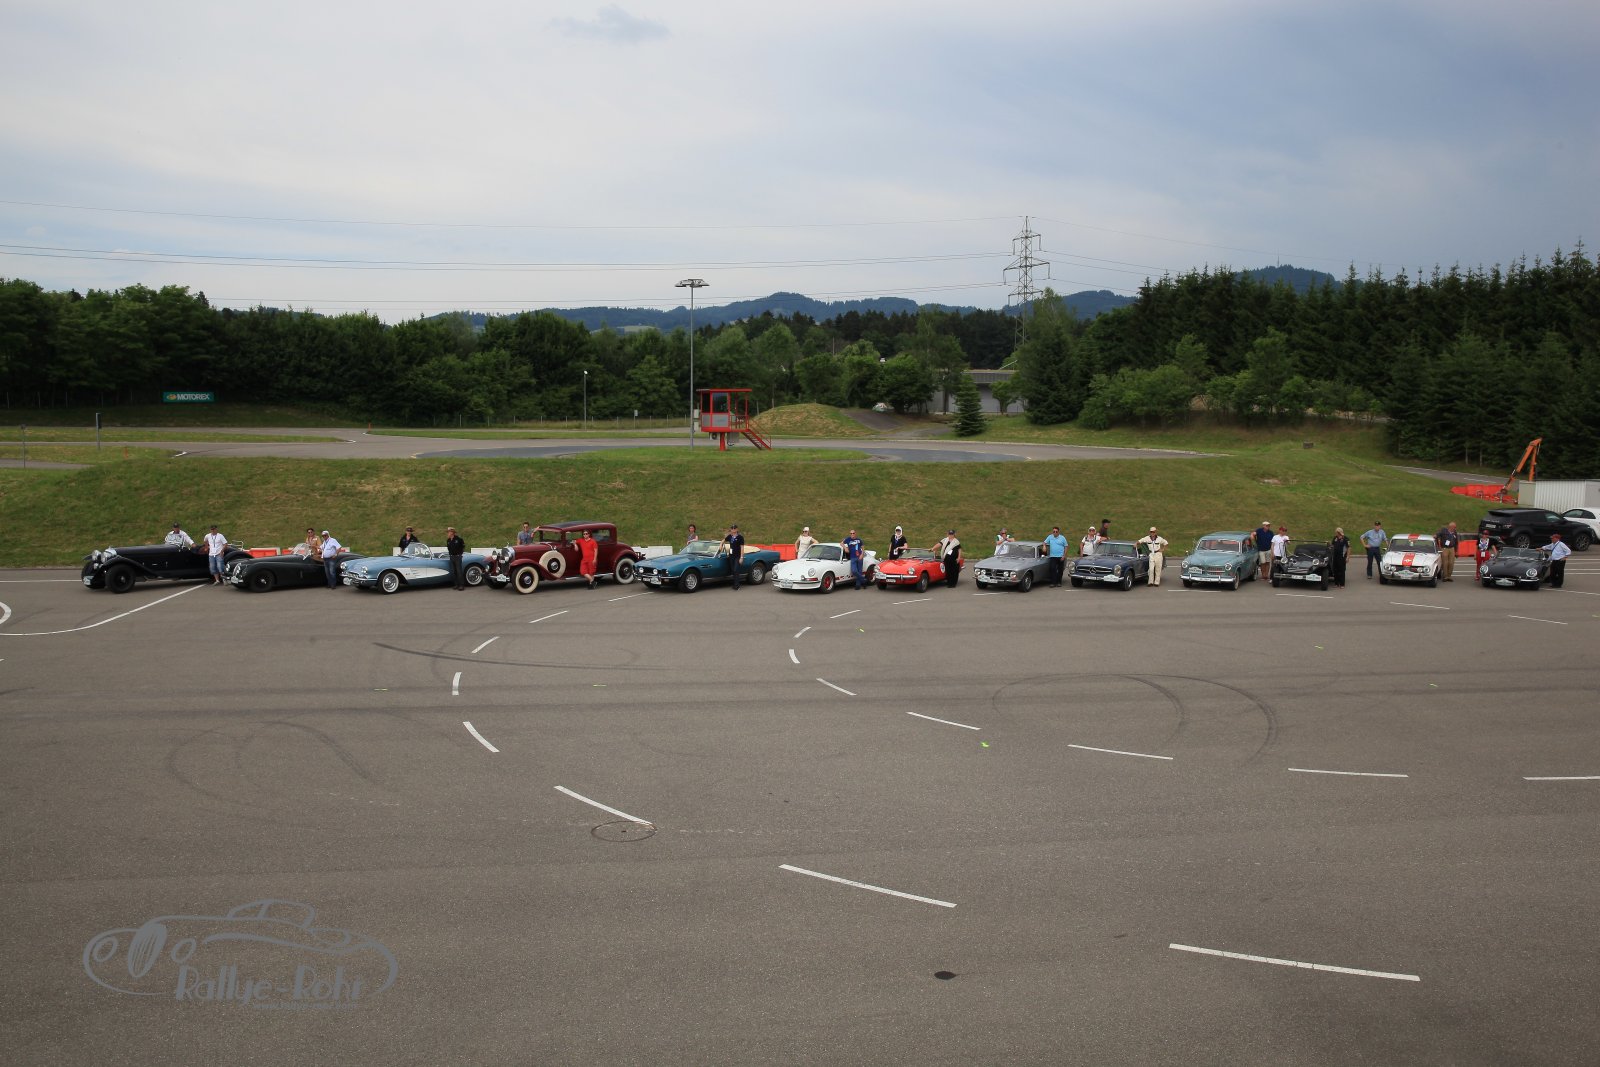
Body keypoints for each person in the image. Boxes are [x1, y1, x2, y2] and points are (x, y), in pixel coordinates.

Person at [723, 524, 745, 590]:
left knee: (736, 570)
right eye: (732, 528)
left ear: (737, 529)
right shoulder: (730, 536)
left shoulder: (740, 537)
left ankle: (737, 586)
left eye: (734, 528)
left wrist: (741, 557)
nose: (733, 530)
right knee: (733, 570)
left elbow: (742, 547)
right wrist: (721, 544)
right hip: (731, 556)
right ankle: (735, 584)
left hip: (737, 556)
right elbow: (723, 540)